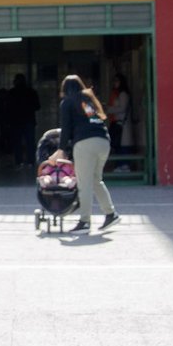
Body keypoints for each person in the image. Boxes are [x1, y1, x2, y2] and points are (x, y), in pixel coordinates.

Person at [51, 74, 122, 234]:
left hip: (85, 144)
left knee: (84, 184)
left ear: (65, 89)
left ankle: (84, 222)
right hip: (103, 142)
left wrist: (61, 149)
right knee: (96, 180)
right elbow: (93, 120)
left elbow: (66, 127)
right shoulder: (87, 101)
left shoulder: (67, 102)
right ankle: (111, 214)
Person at [4, 73, 41, 167]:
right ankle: (31, 162)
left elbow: (7, 108)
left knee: (17, 143)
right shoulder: (31, 92)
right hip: (29, 120)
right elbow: (37, 106)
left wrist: (8, 121)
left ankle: (19, 162)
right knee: (30, 142)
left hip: (15, 121)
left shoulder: (11, 93)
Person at [105, 73, 134, 169]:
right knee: (117, 144)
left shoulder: (123, 94)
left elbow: (122, 108)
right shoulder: (116, 94)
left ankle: (124, 165)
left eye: (117, 81)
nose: (115, 83)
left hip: (122, 124)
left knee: (122, 145)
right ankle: (120, 165)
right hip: (117, 123)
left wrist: (108, 109)